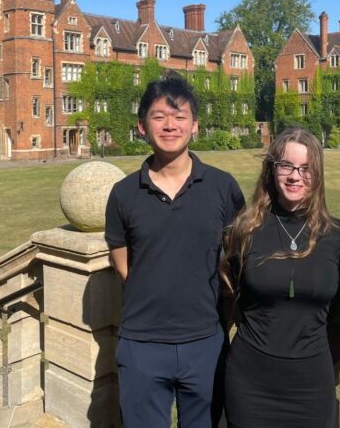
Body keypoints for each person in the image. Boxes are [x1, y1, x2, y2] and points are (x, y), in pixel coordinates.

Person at [105, 70, 245, 428]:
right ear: (141, 126)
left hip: (205, 342)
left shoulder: (222, 187)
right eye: (159, 117)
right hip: (142, 344)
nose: (170, 125)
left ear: (195, 125)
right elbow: (122, 262)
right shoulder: (123, 193)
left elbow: (237, 259)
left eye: (180, 116)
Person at [221, 127, 340, 428]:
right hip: (250, 379)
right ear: (272, 169)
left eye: (306, 168)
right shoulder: (244, 231)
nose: (295, 176)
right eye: (286, 166)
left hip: (311, 381)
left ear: (317, 175)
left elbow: (332, 305)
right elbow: (236, 293)